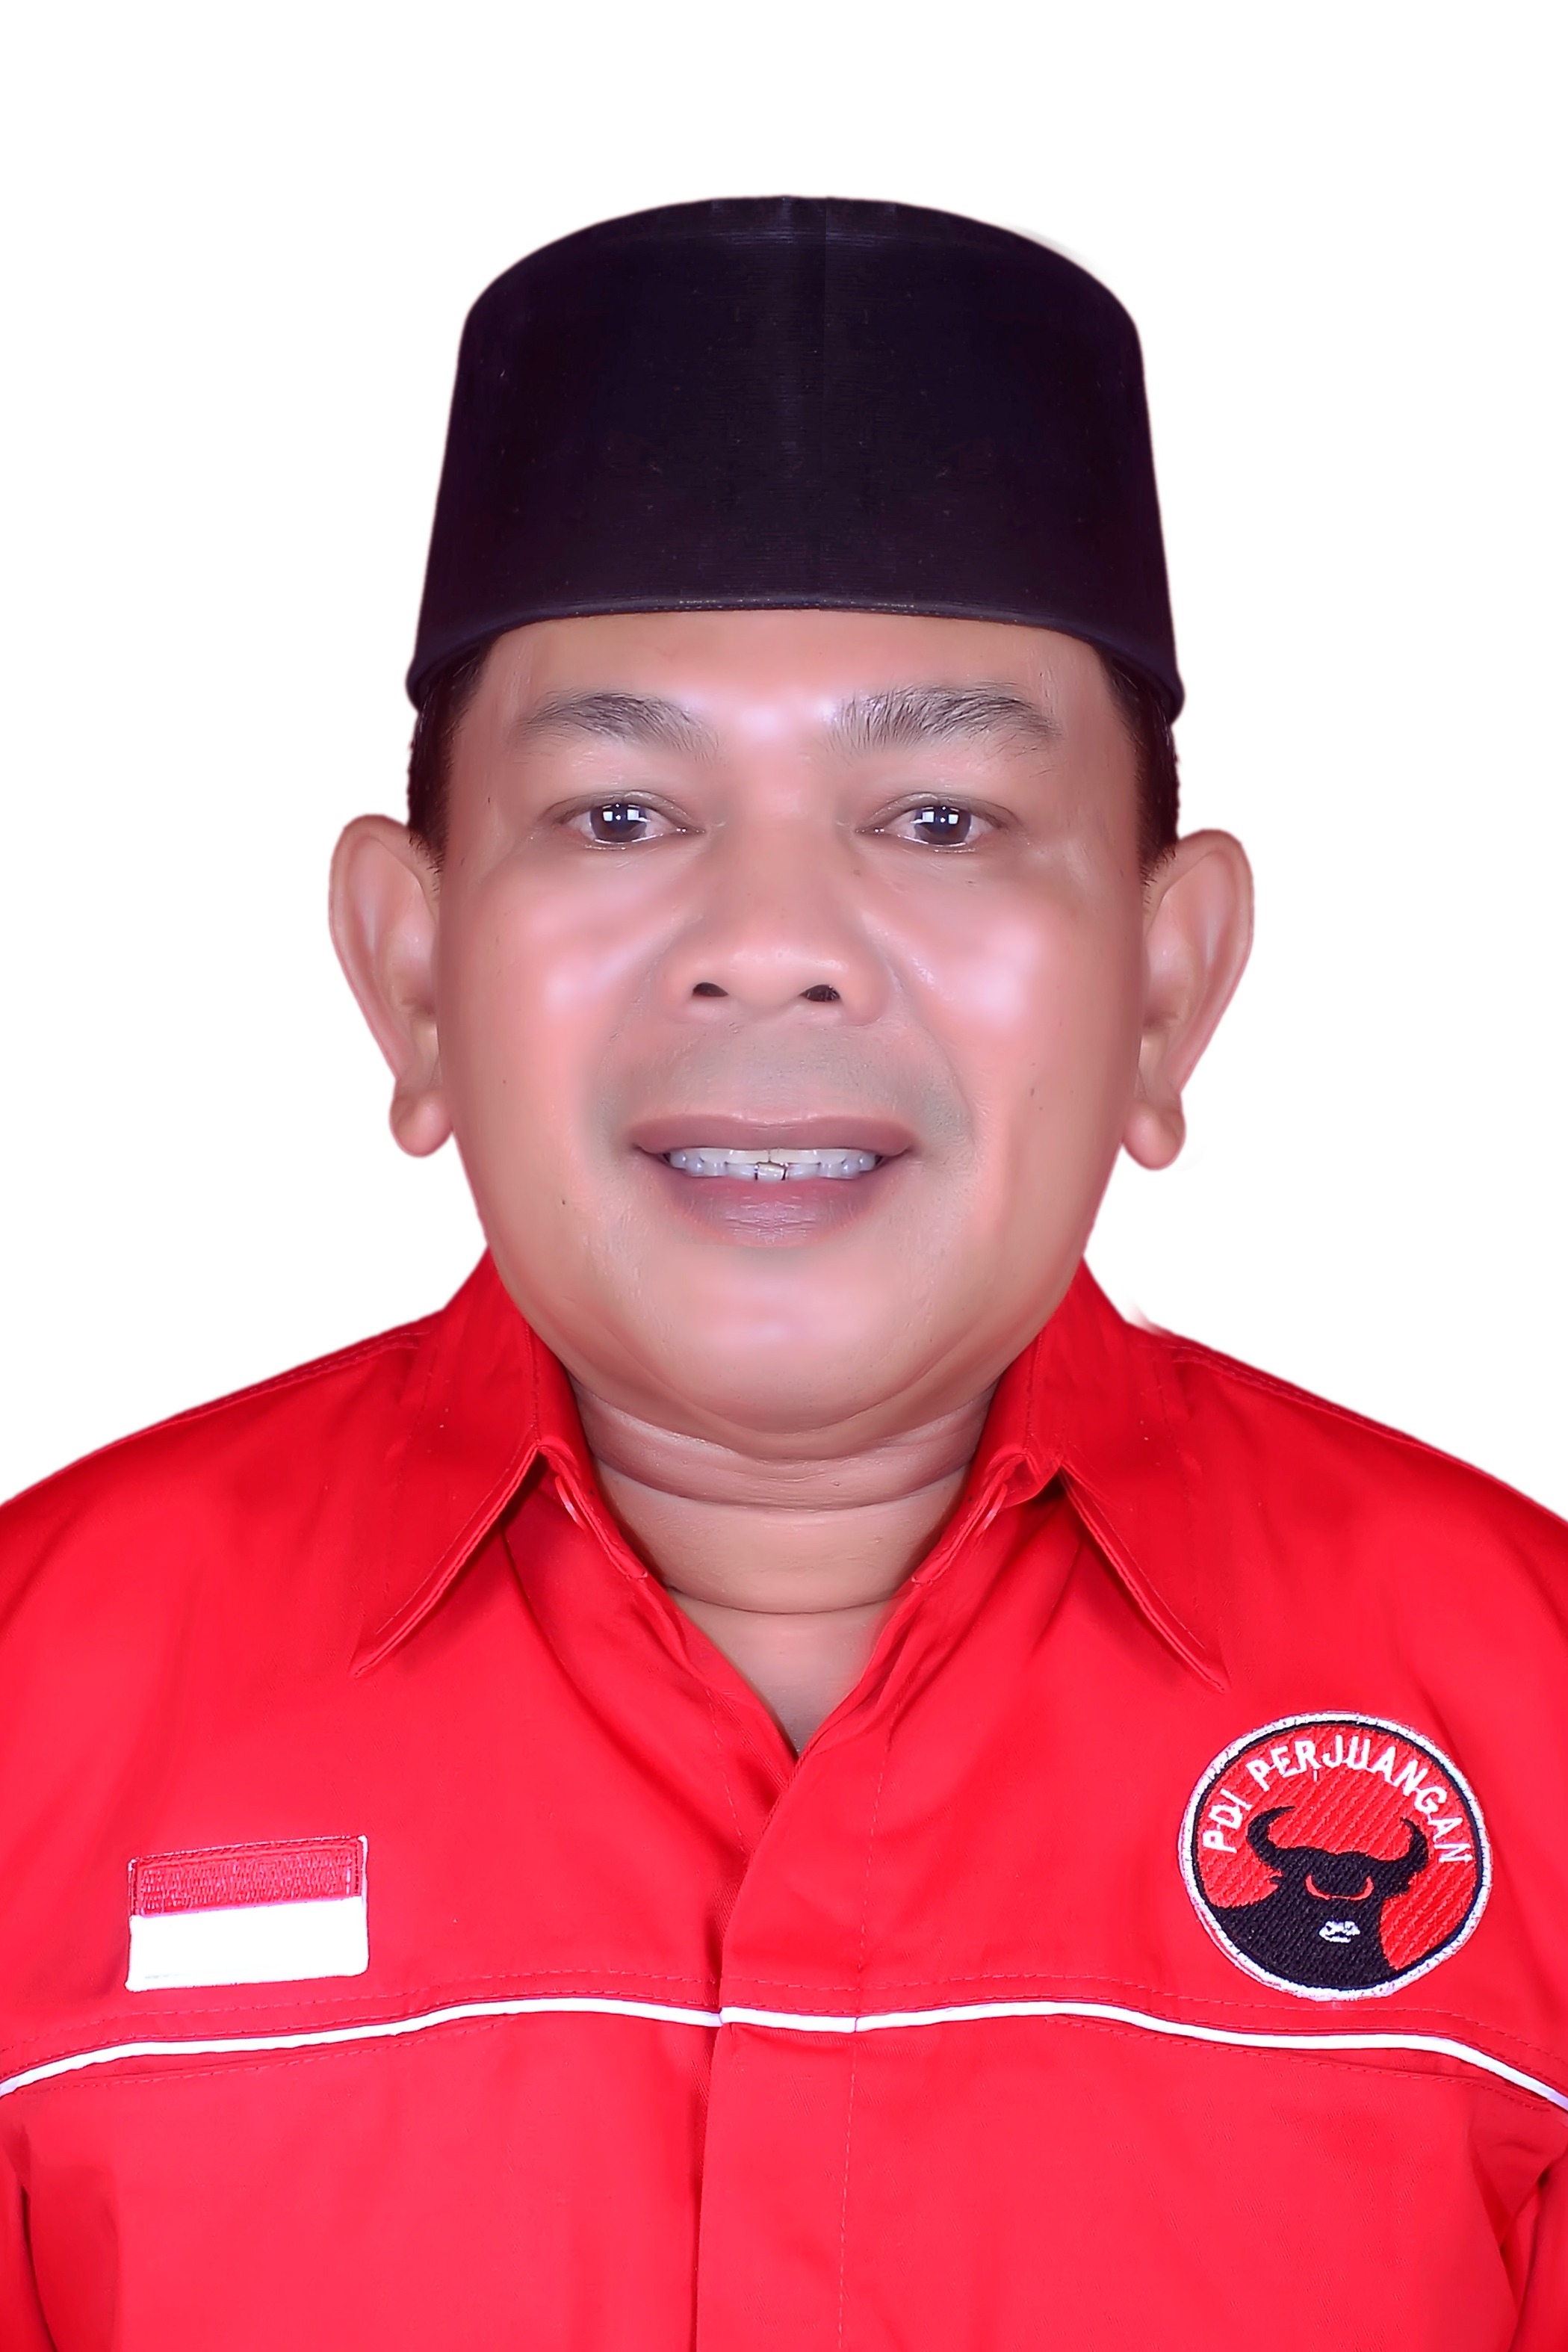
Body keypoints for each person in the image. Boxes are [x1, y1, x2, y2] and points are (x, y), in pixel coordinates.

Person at [1, 196, 1564, 2351]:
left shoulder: (1532, 1711)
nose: (772, 943)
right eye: (620, 815)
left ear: (1164, 987)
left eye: (940, 817)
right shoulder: (38, 1708)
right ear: (413, 975)